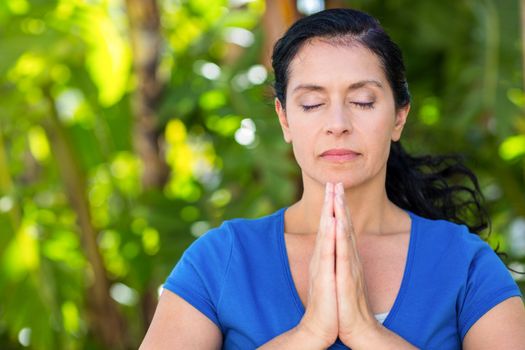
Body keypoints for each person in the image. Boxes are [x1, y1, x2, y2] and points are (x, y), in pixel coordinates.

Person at [139, 8, 525, 349]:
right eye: (312, 103)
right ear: (285, 118)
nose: (337, 124)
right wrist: (309, 334)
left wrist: (365, 333)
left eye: (362, 101)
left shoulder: (465, 263)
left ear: (399, 116)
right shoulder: (221, 259)